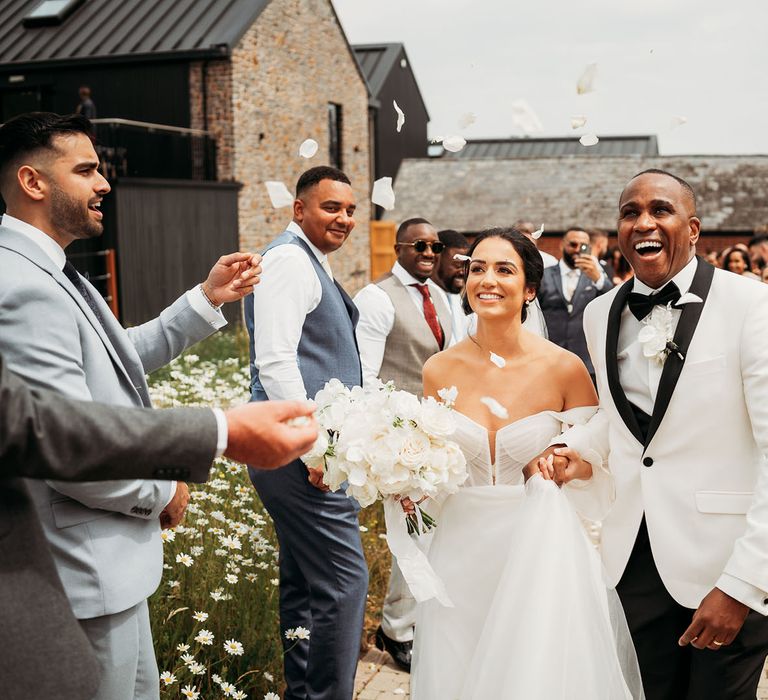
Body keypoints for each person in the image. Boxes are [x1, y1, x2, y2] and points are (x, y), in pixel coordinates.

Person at [0, 111, 260, 700]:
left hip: (111, 573)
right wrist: (163, 489)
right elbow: (64, 443)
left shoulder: (50, 268)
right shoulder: (22, 286)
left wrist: (204, 299)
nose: (104, 185)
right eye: (86, 170)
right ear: (33, 182)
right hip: (81, 574)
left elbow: (111, 366)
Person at [552, 169, 768, 699]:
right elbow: (628, 421)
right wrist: (571, 452)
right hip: (633, 563)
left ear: (692, 229)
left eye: (660, 210)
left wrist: (743, 584)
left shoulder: (751, 305)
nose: (644, 222)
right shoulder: (600, 314)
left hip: (725, 562)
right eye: (630, 212)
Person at [0, 350, 317, 700]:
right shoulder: (26, 294)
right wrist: (217, 434)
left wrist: (203, 304)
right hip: (64, 576)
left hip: (119, 563)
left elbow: (98, 360)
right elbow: (37, 424)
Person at [409, 228, 642, 699]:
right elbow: (428, 464)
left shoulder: (564, 369)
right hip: (458, 550)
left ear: (530, 289)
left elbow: (600, 458)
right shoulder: (438, 370)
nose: (486, 280)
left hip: (540, 547)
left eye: (503, 269)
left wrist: (565, 465)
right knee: (457, 670)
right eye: (477, 268)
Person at [245, 165, 368, 700]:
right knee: (345, 583)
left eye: (349, 209)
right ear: (300, 210)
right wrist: (315, 446)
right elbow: (275, 362)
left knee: (305, 583)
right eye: (330, 207)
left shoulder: (307, 260)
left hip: (300, 449)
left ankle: (305, 693)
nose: (343, 218)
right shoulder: (291, 262)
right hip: (300, 454)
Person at [354, 217, 453, 670]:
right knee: (408, 534)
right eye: (419, 244)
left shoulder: (446, 300)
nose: (430, 252)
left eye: (435, 245)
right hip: (394, 438)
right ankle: (388, 631)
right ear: (398, 248)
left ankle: (403, 624)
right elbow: (365, 376)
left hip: (436, 435)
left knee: (425, 532)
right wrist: (393, 434)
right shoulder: (377, 297)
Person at [538, 226, 614, 379]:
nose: (578, 249)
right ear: (562, 245)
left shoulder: (595, 276)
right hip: (549, 360)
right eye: (573, 244)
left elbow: (612, 303)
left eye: (583, 246)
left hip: (586, 362)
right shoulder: (544, 275)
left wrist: (598, 279)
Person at [432, 228, 471, 344]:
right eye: (457, 265)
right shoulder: (425, 298)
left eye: (466, 266)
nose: (463, 272)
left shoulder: (456, 297)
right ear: (436, 259)